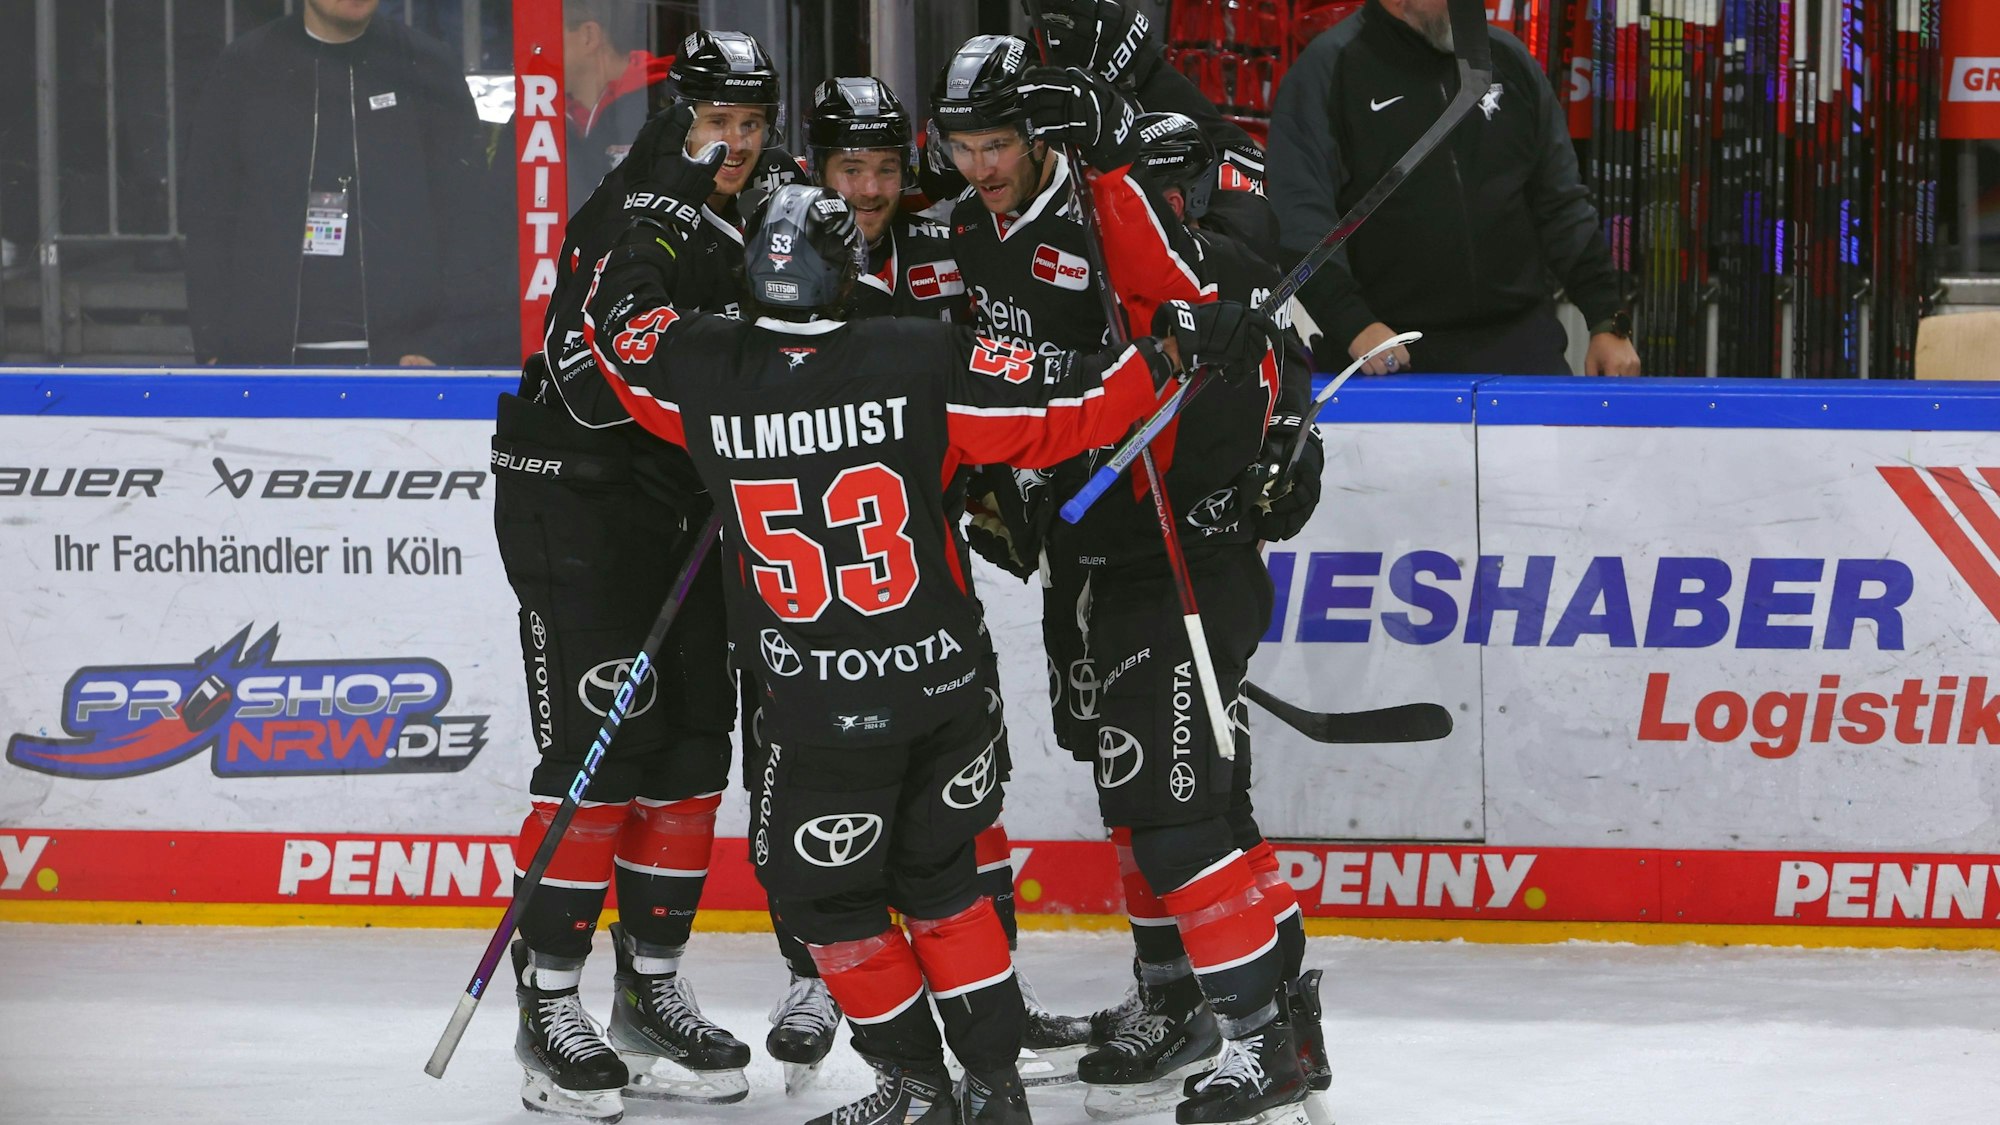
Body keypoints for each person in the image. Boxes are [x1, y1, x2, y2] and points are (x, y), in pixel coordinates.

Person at [583, 178, 1271, 1125]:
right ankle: (992, 1086)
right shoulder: (919, 353)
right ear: (850, 272)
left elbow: (616, 325)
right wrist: (1176, 350)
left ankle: (913, 1083)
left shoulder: (699, 363)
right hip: (943, 688)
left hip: (816, 706)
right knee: (945, 884)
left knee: (823, 901)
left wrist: (650, 226)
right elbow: (1078, 402)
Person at [933, 37, 1312, 1125]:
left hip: (1173, 546)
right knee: (1141, 792)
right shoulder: (967, 230)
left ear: (1039, 136)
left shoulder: (1105, 208)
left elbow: (1190, 296)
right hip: (1086, 550)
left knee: (1179, 809)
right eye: (962, 146)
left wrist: (1109, 167)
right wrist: (999, 490)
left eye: (998, 144)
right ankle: (1198, 1002)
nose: (980, 166)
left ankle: (1261, 1037)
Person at [492, 29, 799, 1122]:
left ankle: (650, 991)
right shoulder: (638, 207)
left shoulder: (759, 206)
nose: (736, 142)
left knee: (690, 751)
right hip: (578, 503)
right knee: (602, 751)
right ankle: (549, 1001)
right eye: (718, 120)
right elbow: (593, 383)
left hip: (684, 506)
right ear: (681, 116)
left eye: (752, 123)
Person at [1265, 0, 1642, 377]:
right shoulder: (1331, 69)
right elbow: (1300, 219)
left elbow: (1562, 205)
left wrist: (1607, 320)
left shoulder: (1507, 59)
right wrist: (1354, 325)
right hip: (1388, 354)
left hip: (1521, 344)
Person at [181, 0, 492, 366]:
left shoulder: (425, 63)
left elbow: (469, 216)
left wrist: (441, 345)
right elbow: (209, 213)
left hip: (405, 359)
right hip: (262, 357)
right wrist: (213, 346)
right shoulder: (246, 66)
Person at [561, 0, 676, 209]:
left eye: (546, 35)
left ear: (588, 36)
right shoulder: (533, 118)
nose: (532, 50)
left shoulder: (671, 102)